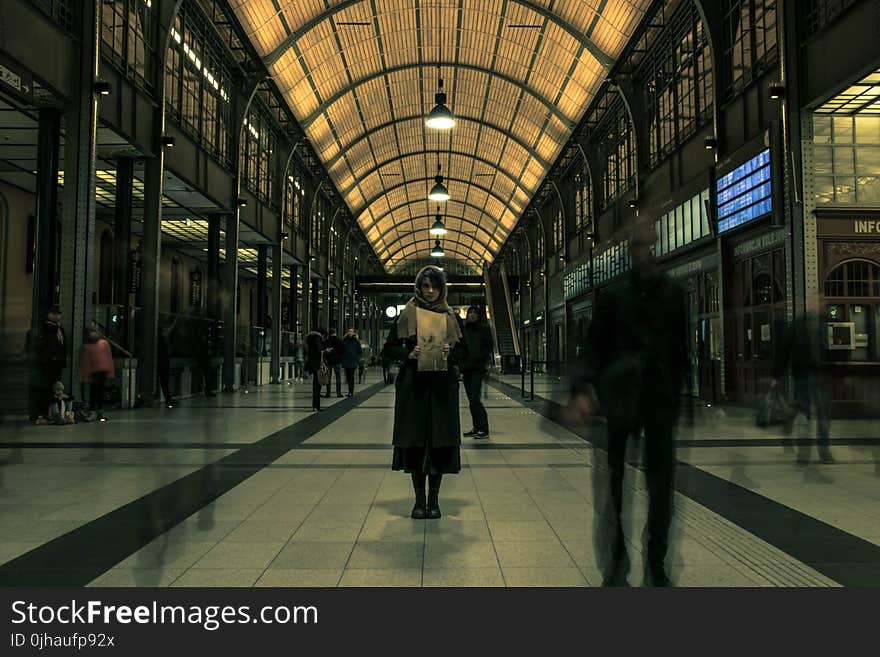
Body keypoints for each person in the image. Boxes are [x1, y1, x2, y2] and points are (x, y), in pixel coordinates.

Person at [563, 220, 689, 587]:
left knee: (662, 488)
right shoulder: (615, 297)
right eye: (638, 246)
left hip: (660, 402)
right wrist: (583, 389)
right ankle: (616, 563)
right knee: (614, 488)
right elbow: (593, 347)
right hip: (619, 402)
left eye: (649, 245)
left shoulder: (674, 295)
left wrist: (684, 402)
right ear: (631, 251)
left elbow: (681, 353)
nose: (644, 252)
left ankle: (656, 560)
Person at [383, 265, 465, 520]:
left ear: (442, 288)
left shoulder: (451, 317)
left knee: (439, 442)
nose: (430, 291)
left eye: (435, 286)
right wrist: (407, 354)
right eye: (426, 286)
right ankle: (419, 500)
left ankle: (434, 500)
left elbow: (466, 352)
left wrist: (451, 355)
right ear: (418, 287)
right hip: (414, 388)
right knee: (416, 442)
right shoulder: (406, 314)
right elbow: (388, 348)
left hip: (442, 389)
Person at [773, 313, 834, 465]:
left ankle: (823, 451)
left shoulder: (824, 324)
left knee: (822, 415)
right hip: (803, 376)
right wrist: (777, 374)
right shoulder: (798, 325)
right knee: (805, 413)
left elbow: (832, 351)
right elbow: (784, 351)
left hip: (821, 376)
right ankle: (805, 454)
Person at [461, 305, 494, 439]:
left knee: (475, 398)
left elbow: (489, 347)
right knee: (471, 400)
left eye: (475, 313)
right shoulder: (464, 330)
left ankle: (484, 429)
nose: (472, 315)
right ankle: (476, 427)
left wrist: (481, 358)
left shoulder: (484, 329)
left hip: (477, 369)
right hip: (467, 368)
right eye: (470, 313)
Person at [79, 327, 115, 421]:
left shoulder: (88, 346)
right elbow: (109, 358)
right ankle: (98, 412)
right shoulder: (103, 343)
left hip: (96, 372)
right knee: (97, 392)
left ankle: (94, 412)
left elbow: (85, 362)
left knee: (95, 392)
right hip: (99, 372)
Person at [38, 307, 67, 409]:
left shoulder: (58, 328)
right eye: (55, 314)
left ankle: (55, 408)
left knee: (56, 384)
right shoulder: (48, 328)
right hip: (51, 360)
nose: (58, 316)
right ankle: (48, 408)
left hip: (57, 359)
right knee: (50, 384)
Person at [305, 328, 324, 412]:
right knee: (318, 385)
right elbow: (319, 351)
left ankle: (314, 405)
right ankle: (317, 405)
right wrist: (325, 352)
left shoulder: (309, 339)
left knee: (315, 385)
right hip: (317, 364)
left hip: (312, 364)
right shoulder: (317, 339)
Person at [341, 328, 363, 397]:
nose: (350, 332)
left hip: (353, 361)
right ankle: (349, 391)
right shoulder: (345, 340)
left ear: (354, 333)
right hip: (346, 361)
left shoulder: (356, 341)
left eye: (351, 331)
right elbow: (342, 349)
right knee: (348, 377)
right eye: (349, 331)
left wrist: (356, 357)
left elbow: (360, 351)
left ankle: (351, 391)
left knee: (351, 377)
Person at [323, 327, 343, 398]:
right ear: (335, 333)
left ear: (329, 334)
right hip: (337, 361)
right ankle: (338, 393)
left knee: (328, 378)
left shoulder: (327, 341)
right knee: (338, 377)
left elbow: (324, 351)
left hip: (329, 362)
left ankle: (328, 393)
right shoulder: (339, 341)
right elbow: (342, 351)